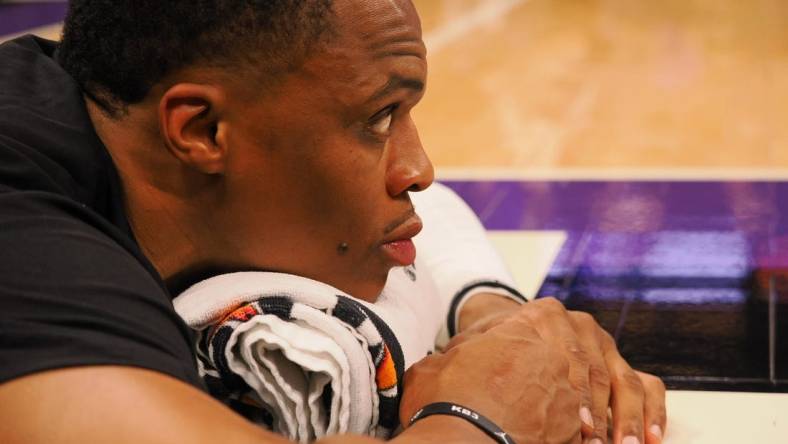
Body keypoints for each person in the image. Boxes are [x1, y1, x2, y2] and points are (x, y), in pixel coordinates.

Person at [0, 1, 666, 443]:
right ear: (201, 130)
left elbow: (421, 215)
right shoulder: (25, 233)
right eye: (379, 119)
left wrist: (496, 318)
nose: (419, 168)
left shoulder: (100, 106)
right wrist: (479, 415)